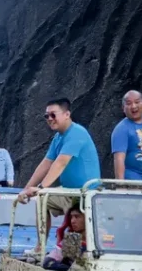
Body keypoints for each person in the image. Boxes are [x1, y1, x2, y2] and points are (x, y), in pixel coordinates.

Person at [18, 98, 101, 244]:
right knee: (43, 201)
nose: (49, 119)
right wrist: (26, 190)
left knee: (85, 234)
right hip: (68, 192)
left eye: (53, 115)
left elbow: (61, 163)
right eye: (46, 116)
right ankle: (40, 247)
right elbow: (46, 163)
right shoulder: (58, 138)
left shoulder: (77, 133)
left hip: (85, 194)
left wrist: (41, 188)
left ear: (67, 114)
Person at [42, 205, 86, 271]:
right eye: (71, 217)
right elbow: (48, 262)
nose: (72, 221)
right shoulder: (73, 240)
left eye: (77, 217)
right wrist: (69, 269)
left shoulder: (102, 239)